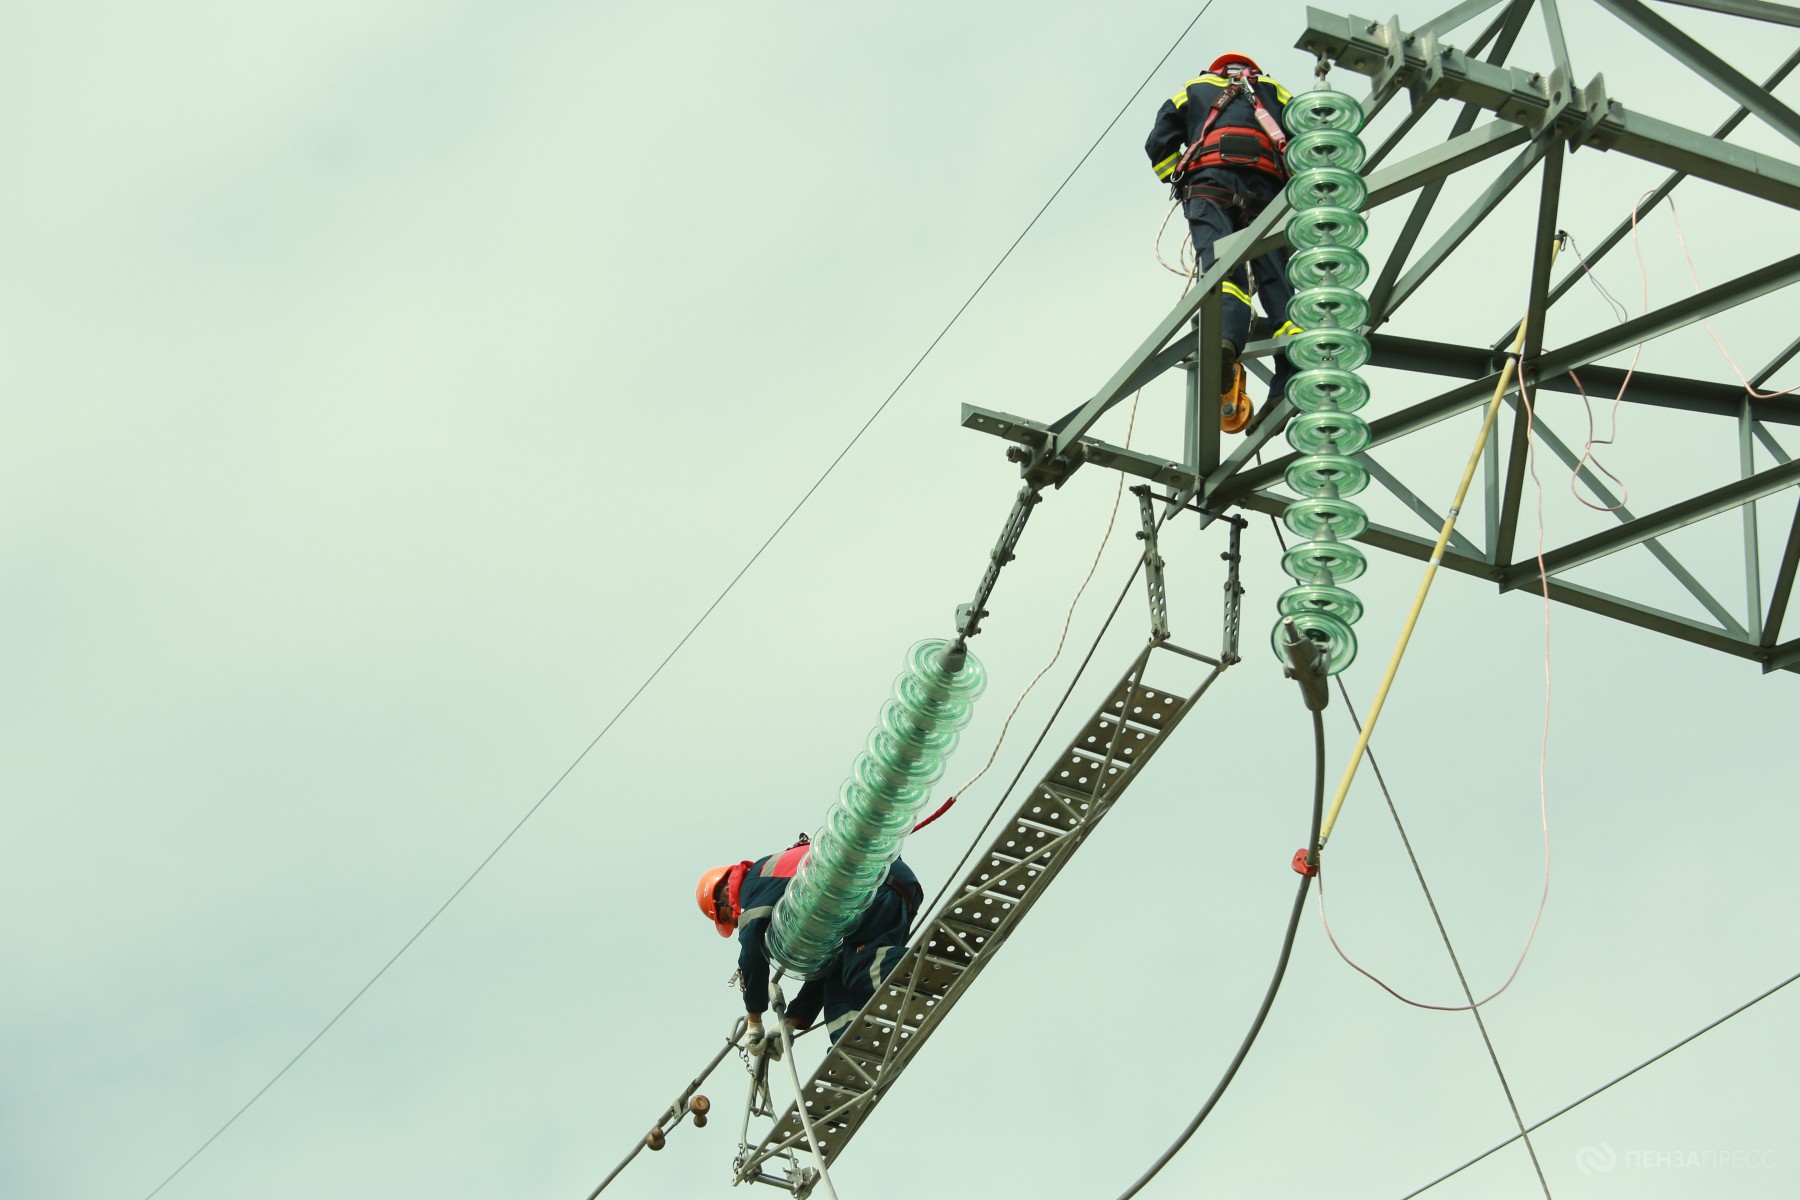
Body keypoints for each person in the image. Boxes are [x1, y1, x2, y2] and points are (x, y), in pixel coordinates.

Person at [1145, 52, 1301, 420]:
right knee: (1276, 275)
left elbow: (1160, 139)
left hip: (1210, 185)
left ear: (1216, 70)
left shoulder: (1195, 88)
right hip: (1266, 192)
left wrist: (1176, 177)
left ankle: (1225, 340)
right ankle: (1292, 368)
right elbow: (1307, 138)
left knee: (1219, 267)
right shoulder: (1276, 91)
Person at [697, 838, 923, 1057]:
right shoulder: (781, 883)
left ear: (725, 893)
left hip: (870, 883)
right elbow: (828, 964)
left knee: (861, 964)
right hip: (885, 886)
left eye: (728, 916)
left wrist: (754, 1020)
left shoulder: (753, 883)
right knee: (841, 983)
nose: (736, 923)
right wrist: (791, 1021)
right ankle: (852, 1049)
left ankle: (921, 962)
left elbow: (751, 954)